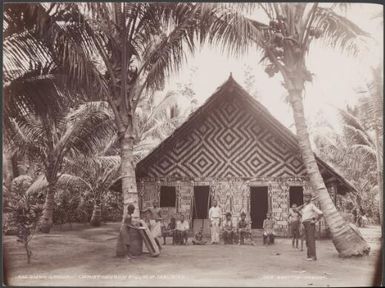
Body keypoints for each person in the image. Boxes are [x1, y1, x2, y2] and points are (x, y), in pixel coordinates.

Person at [300, 194, 323, 261]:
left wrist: (315, 220)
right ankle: (309, 256)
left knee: (311, 240)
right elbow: (304, 215)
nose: (305, 198)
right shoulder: (305, 206)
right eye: (304, 197)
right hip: (305, 224)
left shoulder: (312, 205)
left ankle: (313, 256)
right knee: (307, 241)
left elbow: (321, 213)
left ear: (310, 198)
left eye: (307, 197)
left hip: (310, 224)